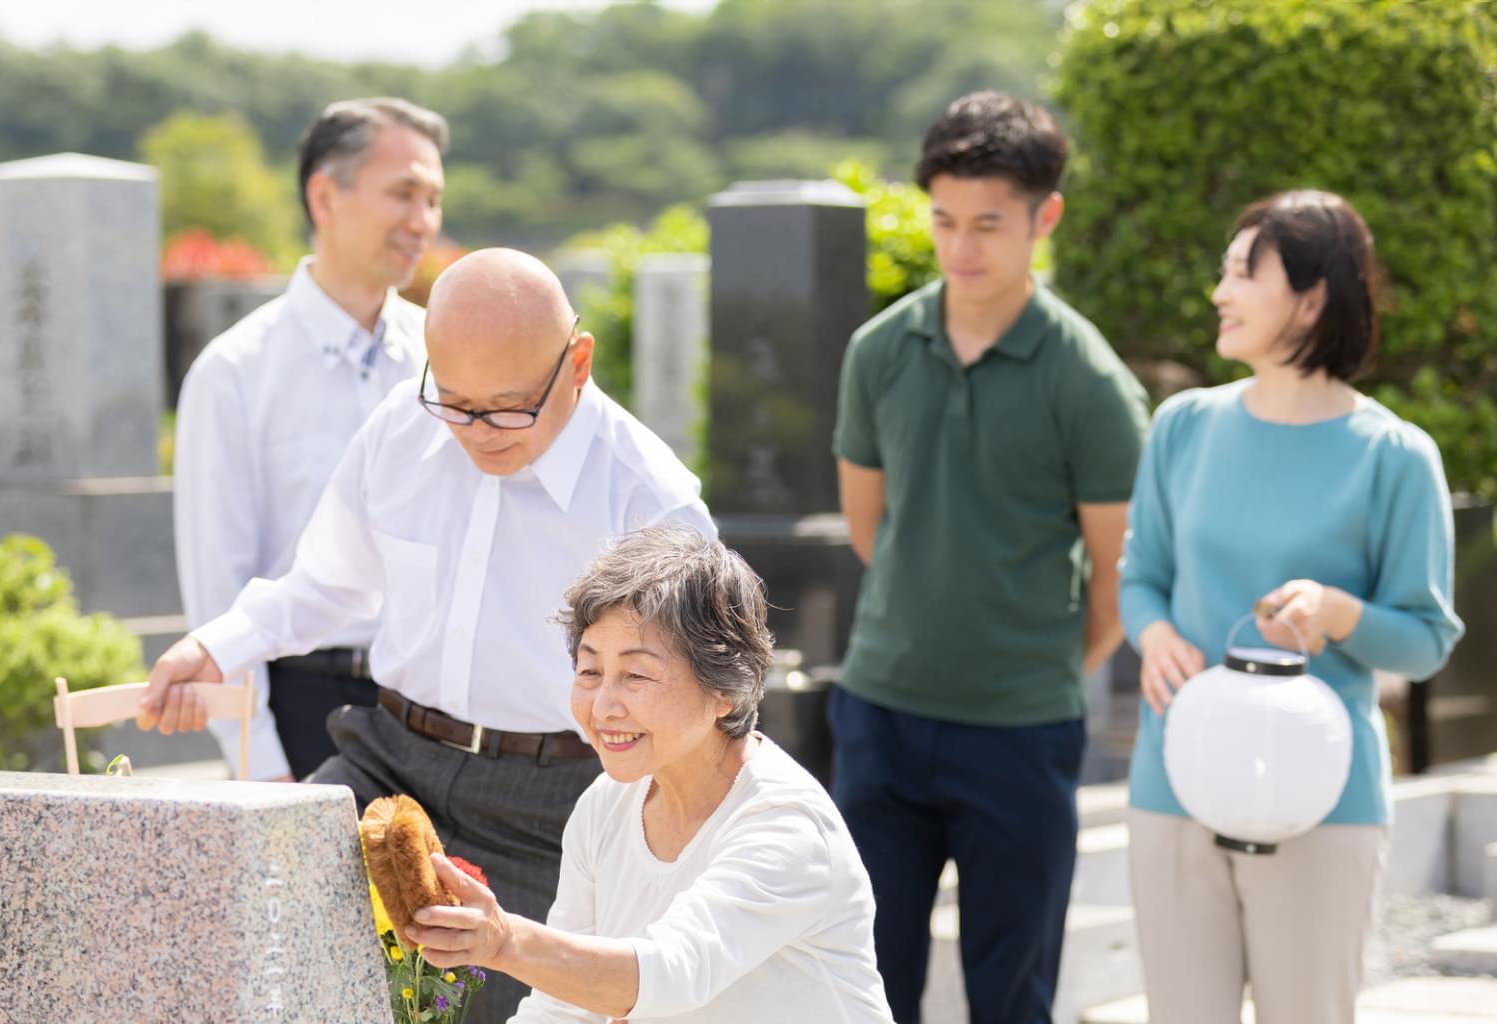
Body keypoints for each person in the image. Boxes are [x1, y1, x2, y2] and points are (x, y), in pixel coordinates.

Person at [140, 247, 715, 1023]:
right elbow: (323, 584)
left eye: (507, 408)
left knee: (499, 1011)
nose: (477, 432)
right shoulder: (401, 430)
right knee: (247, 940)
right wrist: (215, 647)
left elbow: (704, 695)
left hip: (557, 801)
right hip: (389, 760)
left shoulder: (650, 498)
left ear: (576, 363)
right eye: (455, 401)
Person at [830, 91, 1150, 1022]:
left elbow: (1116, 575)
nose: (961, 247)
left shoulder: (1089, 385)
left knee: (1011, 995)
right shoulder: (878, 353)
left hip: (1020, 734)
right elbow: (868, 530)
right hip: (880, 721)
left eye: (988, 225)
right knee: (859, 986)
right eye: (943, 221)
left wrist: (1034, 665)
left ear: (1044, 218)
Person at [1119, 189, 1463, 1023]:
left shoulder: (1396, 457)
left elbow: (1425, 643)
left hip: (1322, 797)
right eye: (1224, 271)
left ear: (1312, 297)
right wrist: (1156, 632)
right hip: (1174, 781)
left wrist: (1339, 613)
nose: (1220, 292)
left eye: (1245, 273)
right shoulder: (1182, 427)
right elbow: (1141, 575)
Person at [400, 526, 896, 1024]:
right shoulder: (606, 802)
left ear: (725, 691)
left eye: (637, 676)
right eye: (589, 672)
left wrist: (504, 942)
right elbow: (563, 1009)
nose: (603, 706)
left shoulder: (785, 824)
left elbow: (671, 972)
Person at [173, 97, 447, 782]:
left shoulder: (446, 356)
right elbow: (219, 586)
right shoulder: (235, 373)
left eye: (435, 199)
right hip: (305, 715)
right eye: (403, 193)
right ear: (325, 196)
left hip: (441, 713)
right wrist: (259, 764)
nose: (424, 223)